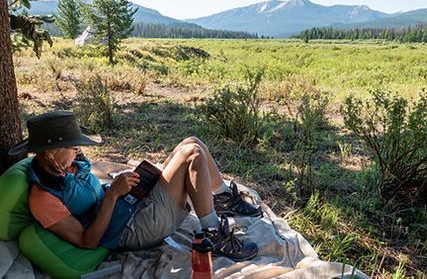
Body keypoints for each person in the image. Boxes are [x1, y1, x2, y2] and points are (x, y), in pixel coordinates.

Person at [9, 111, 262, 261]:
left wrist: (124, 185)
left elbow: (93, 190)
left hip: (130, 205)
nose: (79, 150)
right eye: (74, 146)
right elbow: (88, 241)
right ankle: (213, 235)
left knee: (192, 140)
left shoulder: (69, 164)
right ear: (51, 152)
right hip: (131, 229)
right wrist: (113, 195)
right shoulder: (43, 198)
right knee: (192, 153)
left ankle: (222, 199)